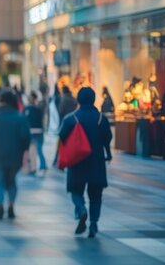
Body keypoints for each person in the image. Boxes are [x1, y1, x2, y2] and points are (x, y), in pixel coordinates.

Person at [58, 87, 113, 238]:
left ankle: (81, 210)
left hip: (77, 161)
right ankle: (93, 223)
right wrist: (108, 153)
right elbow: (107, 138)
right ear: (94, 99)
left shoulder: (71, 118)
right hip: (97, 161)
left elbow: (62, 136)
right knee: (96, 194)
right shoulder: (101, 119)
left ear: (78, 100)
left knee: (75, 190)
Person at [0, 89, 30, 220]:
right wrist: (24, 150)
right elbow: (26, 138)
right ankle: (11, 205)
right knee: (12, 181)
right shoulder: (19, 117)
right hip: (15, 155)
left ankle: (0, 205)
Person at [53, 86, 78, 167]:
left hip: (64, 123)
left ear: (63, 91)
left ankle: (56, 160)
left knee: (61, 142)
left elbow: (60, 111)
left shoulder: (63, 99)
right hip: (74, 123)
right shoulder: (74, 99)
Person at [23, 92, 47, 173]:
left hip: (30, 131)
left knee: (31, 150)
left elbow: (24, 121)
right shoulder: (39, 109)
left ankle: (32, 167)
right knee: (39, 149)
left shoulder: (26, 109)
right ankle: (43, 165)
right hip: (39, 131)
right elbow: (42, 120)